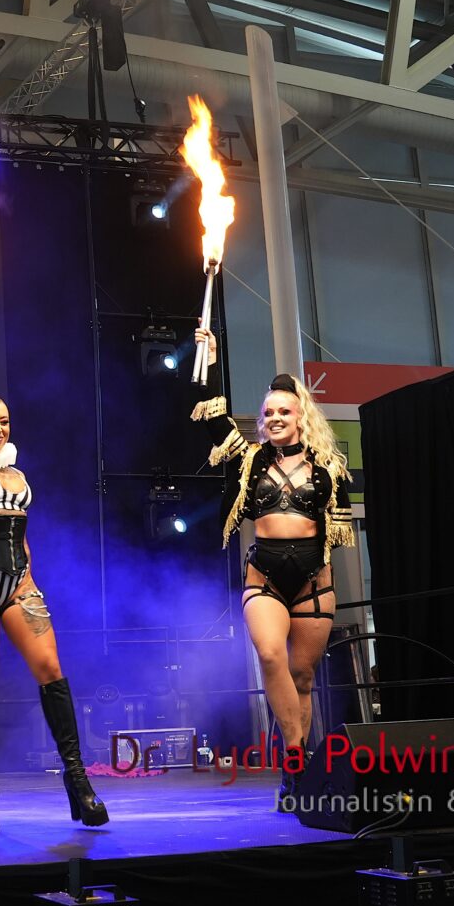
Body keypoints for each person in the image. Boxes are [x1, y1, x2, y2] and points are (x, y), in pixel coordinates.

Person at [0, 313, 107, 834]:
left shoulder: (17, 475)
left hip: (19, 580)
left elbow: (23, 534)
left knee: (51, 669)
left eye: (4, 421)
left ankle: (77, 780)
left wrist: (30, 578)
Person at [191, 332, 353, 807]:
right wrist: (212, 361)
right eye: (268, 413)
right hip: (264, 579)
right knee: (269, 654)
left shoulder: (328, 468)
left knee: (302, 678)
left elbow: (336, 530)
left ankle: (293, 771)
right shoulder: (249, 461)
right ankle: (298, 758)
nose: (276, 418)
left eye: (285, 411)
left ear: (301, 416)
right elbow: (213, 417)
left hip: (313, 584)